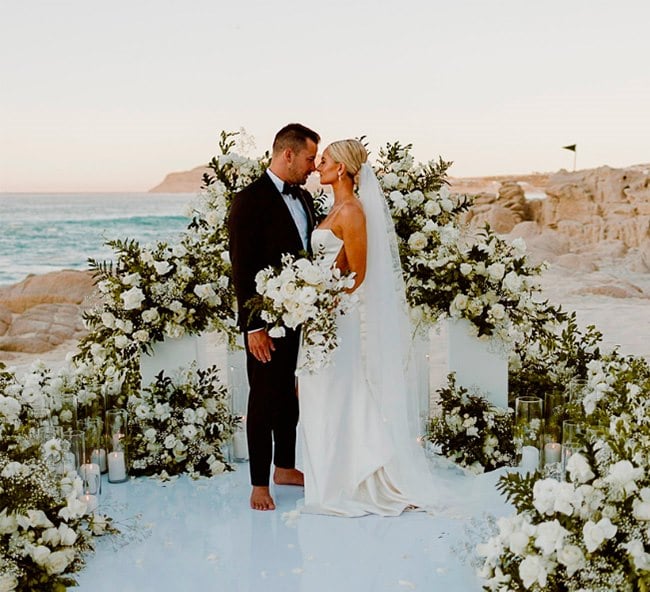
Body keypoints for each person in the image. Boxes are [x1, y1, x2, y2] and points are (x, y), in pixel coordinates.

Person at [298, 139, 446, 516]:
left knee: (336, 390)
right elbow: (334, 264)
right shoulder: (332, 209)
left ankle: (353, 478)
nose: (318, 166)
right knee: (319, 391)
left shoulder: (352, 211)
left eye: (325, 161)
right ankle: (328, 478)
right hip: (318, 315)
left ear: (342, 169)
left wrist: (325, 300)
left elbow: (358, 274)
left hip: (338, 315)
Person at [228, 123, 320, 511]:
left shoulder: (303, 198)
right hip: (265, 321)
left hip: (300, 317)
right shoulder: (249, 200)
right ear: (289, 154)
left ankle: (285, 466)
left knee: (290, 395)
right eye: (310, 158)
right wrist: (254, 327)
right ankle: (259, 484)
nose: (313, 167)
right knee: (264, 398)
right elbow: (242, 268)